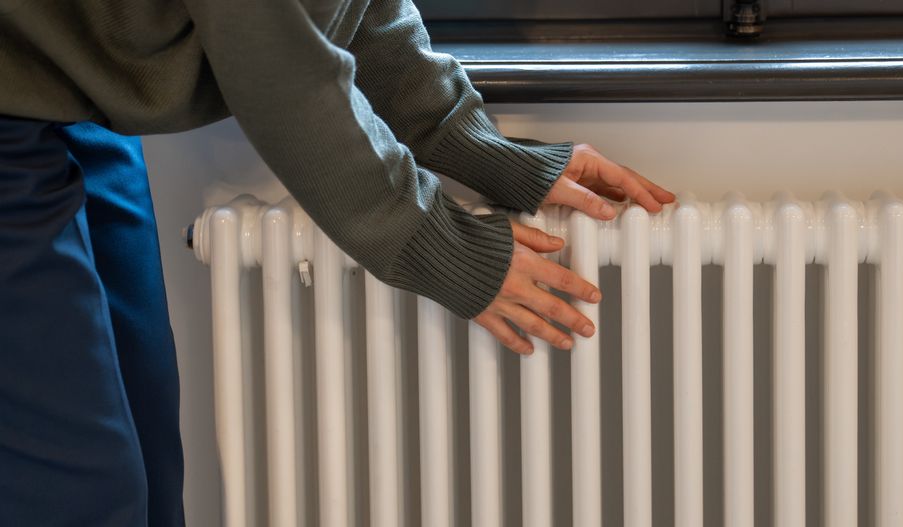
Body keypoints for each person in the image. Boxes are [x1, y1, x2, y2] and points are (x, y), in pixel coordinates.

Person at [0, 0, 675, 524]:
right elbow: (279, 60)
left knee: (149, 464)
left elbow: (347, 12)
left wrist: (481, 150)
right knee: (81, 487)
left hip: (64, 80)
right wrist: (438, 243)